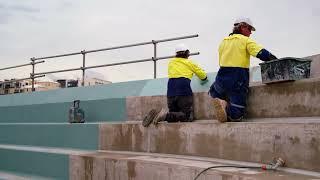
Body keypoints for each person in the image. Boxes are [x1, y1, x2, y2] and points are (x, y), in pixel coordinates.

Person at [209, 17, 277, 123]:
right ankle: (227, 107)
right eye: (249, 29)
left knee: (215, 90)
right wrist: (274, 59)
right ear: (242, 27)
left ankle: (221, 100)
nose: (250, 33)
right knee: (237, 116)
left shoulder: (223, 42)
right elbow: (261, 53)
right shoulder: (245, 40)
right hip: (237, 78)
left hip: (221, 77)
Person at [142, 44, 208, 127]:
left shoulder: (171, 63)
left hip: (171, 90)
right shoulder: (189, 62)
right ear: (187, 53)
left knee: (173, 121)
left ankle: (159, 115)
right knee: (187, 117)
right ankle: (164, 116)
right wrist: (204, 78)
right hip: (183, 89)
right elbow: (202, 75)